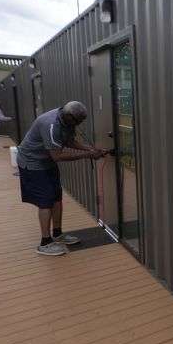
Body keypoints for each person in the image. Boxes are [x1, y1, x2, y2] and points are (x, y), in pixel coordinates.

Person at [17, 101, 107, 256]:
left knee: (56, 198)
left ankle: (58, 234)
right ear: (69, 116)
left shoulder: (67, 119)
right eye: (77, 121)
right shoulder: (50, 125)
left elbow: (69, 141)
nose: (78, 124)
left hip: (47, 162)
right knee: (45, 201)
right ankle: (45, 243)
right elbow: (57, 156)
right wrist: (88, 155)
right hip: (32, 163)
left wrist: (91, 148)